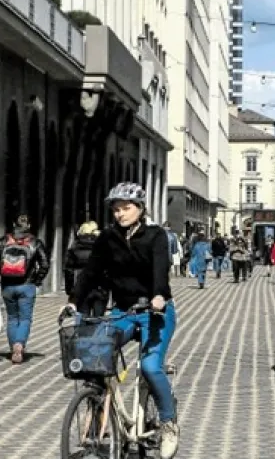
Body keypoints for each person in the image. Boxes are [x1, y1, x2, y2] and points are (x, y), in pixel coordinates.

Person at [65, 182, 180, 459]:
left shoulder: (155, 236)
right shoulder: (107, 238)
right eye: (116, 209)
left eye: (126, 208)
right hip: (123, 312)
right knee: (95, 355)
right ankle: (96, 410)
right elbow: (91, 271)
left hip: (156, 311)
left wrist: (159, 296)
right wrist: (72, 301)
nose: (120, 214)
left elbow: (160, 271)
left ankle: (168, 423)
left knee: (152, 368)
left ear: (140, 209)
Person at [0, 214, 50, 364]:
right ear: (29, 225)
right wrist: (37, 280)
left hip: (7, 286)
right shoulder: (35, 242)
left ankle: (13, 347)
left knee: (12, 318)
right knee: (25, 318)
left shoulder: (3, 241)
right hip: (27, 286)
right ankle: (19, 344)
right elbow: (45, 264)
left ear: (14, 224)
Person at [64, 221, 108, 317]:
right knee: (99, 318)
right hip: (100, 287)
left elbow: (69, 270)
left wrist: (70, 290)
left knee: (82, 318)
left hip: (81, 288)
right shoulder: (104, 245)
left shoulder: (75, 247)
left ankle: (82, 331)